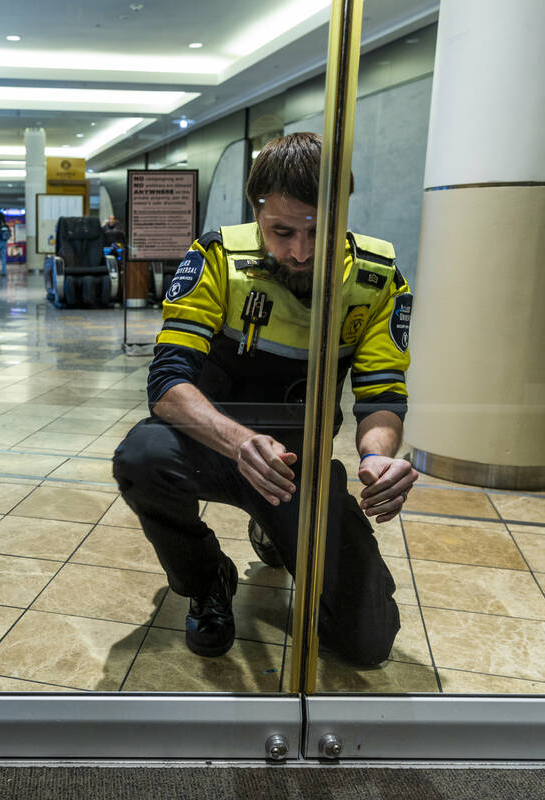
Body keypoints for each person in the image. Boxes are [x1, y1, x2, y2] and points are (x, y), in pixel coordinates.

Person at [111, 133, 417, 667]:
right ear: (258, 213)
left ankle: (274, 529)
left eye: (318, 232)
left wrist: (377, 456)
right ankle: (209, 579)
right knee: (142, 456)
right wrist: (241, 441)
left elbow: (382, 395)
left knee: (365, 643)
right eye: (281, 232)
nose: (300, 252)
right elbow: (167, 384)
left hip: (298, 466)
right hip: (211, 445)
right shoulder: (216, 258)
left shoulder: (376, 279)